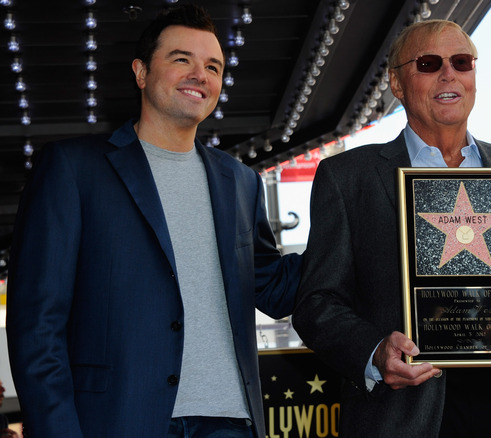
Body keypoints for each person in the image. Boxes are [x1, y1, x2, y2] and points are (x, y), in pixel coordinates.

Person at [6, 5, 302, 437]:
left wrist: (364, 233)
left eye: (213, 66)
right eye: (182, 59)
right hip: (118, 421)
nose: (200, 74)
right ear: (141, 72)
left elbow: (273, 287)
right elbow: (37, 324)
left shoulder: (240, 182)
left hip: (229, 423)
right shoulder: (72, 169)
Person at [293, 19, 491, 438]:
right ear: (397, 84)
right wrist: (374, 351)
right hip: (406, 414)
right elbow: (317, 303)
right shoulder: (347, 177)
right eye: (429, 63)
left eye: (462, 62)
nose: (449, 74)